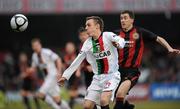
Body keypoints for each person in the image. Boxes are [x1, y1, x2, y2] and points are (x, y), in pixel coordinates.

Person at [113, 10, 180, 109]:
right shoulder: (116, 34)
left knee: (119, 95)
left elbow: (158, 38)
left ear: (132, 20)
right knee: (117, 98)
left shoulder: (139, 32)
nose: (123, 20)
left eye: (125, 18)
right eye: (121, 18)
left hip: (132, 72)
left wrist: (169, 48)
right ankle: (127, 107)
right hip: (116, 72)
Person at [58, 16, 125, 109]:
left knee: (104, 100)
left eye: (88, 25)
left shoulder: (107, 35)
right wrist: (65, 76)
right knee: (87, 106)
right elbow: (78, 60)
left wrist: (119, 44)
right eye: (86, 25)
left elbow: (121, 40)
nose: (86, 28)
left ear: (97, 26)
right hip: (97, 78)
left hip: (111, 76)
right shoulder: (87, 43)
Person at [30, 38, 70, 109]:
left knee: (40, 94)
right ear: (32, 47)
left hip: (52, 76)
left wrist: (59, 72)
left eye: (37, 45)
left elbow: (58, 59)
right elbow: (33, 68)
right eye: (34, 46)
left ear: (40, 45)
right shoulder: (34, 56)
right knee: (57, 100)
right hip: (47, 78)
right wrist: (28, 71)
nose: (36, 47)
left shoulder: (46, 52)